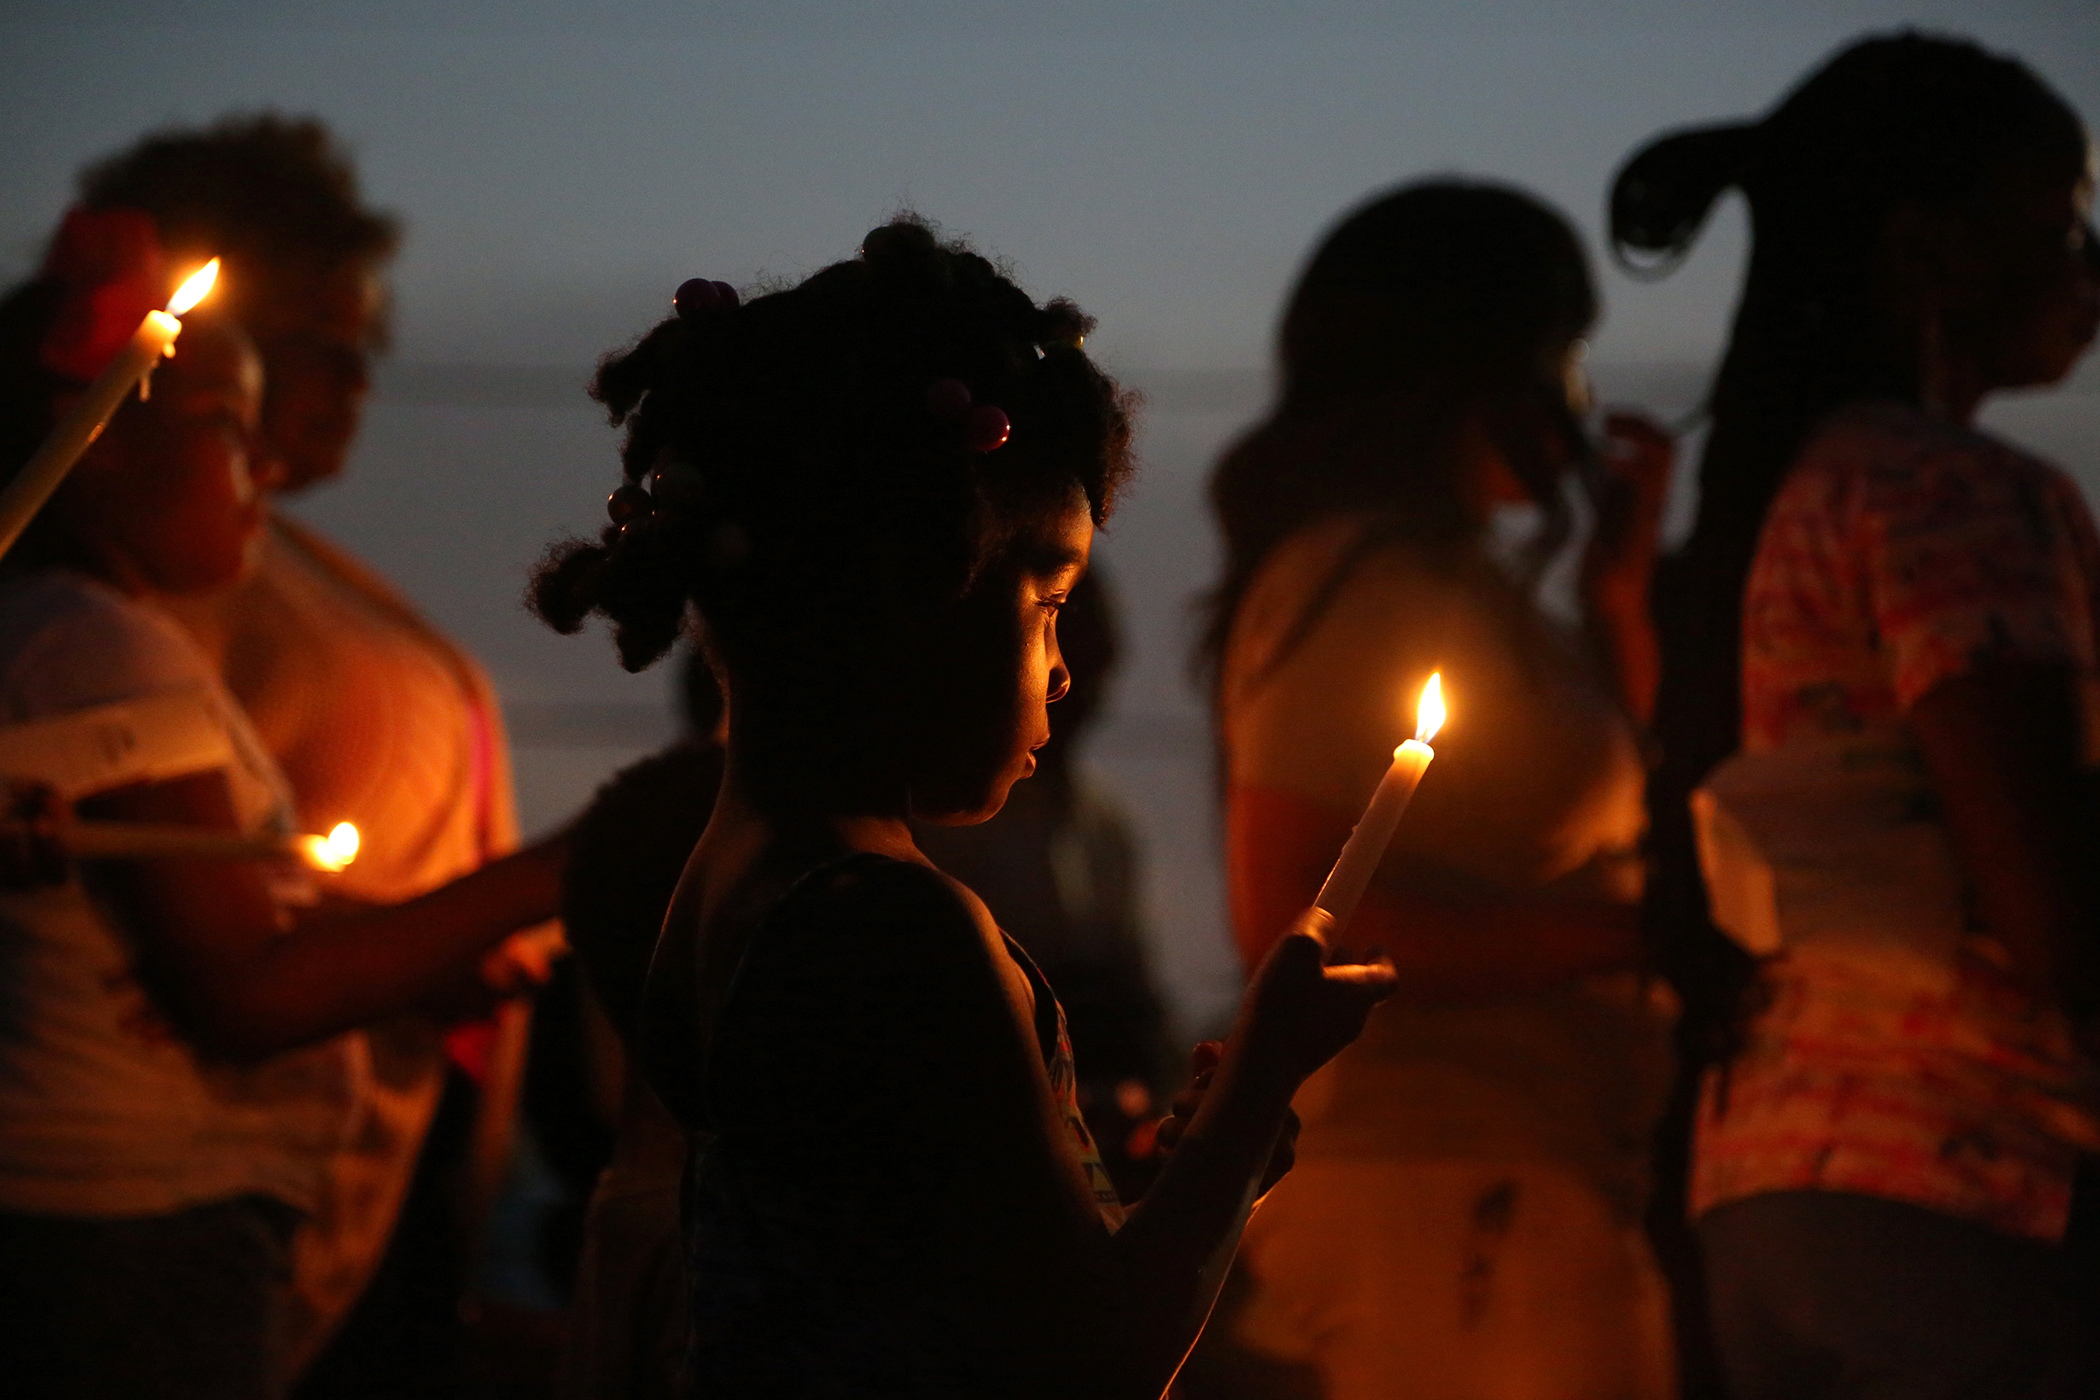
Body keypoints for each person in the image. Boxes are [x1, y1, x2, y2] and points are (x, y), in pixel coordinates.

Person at [531, 217, 1396, 1397]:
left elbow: (946, 1259)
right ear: (910, 594)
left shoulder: (730, 881)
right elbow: (1097, 1359)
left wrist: (1197, 1168)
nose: (1062, 668)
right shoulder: (894, 929)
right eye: (1045, 601)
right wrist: (1255, 1092)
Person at [0, 210, 564, 1398]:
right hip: (133, 1229)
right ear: (93, 437)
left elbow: (206, 894)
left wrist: (409, 947)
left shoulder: (90, 636)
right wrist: (551, 870)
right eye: (229, 431)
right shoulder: (99, 647)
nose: (262, 470)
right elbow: (244, 986)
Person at [1615, 31, 2100, 1399]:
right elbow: (2054, 914)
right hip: (1979, 1184)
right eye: (2063, 219)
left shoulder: (1774, 510)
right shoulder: (1955, 491)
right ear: (1930, 253)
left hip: (1769, 1200)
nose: (2089, 263)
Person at [1197, 181, 1680, 1399]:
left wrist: (1621, 600)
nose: (1578, 394)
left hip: (1531, 1169)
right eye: (1565, 351)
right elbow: (1301, 918)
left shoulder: (1490, 594)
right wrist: (1638, 937)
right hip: (1441, 1179)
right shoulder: (1363, 583)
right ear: (1482, 363)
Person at [914, 567, 1172, 1196]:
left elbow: (1135, 994)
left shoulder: (1102, 826)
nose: (1070, 684)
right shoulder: (933, 825)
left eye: (1095, 663)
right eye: (1052, 636)